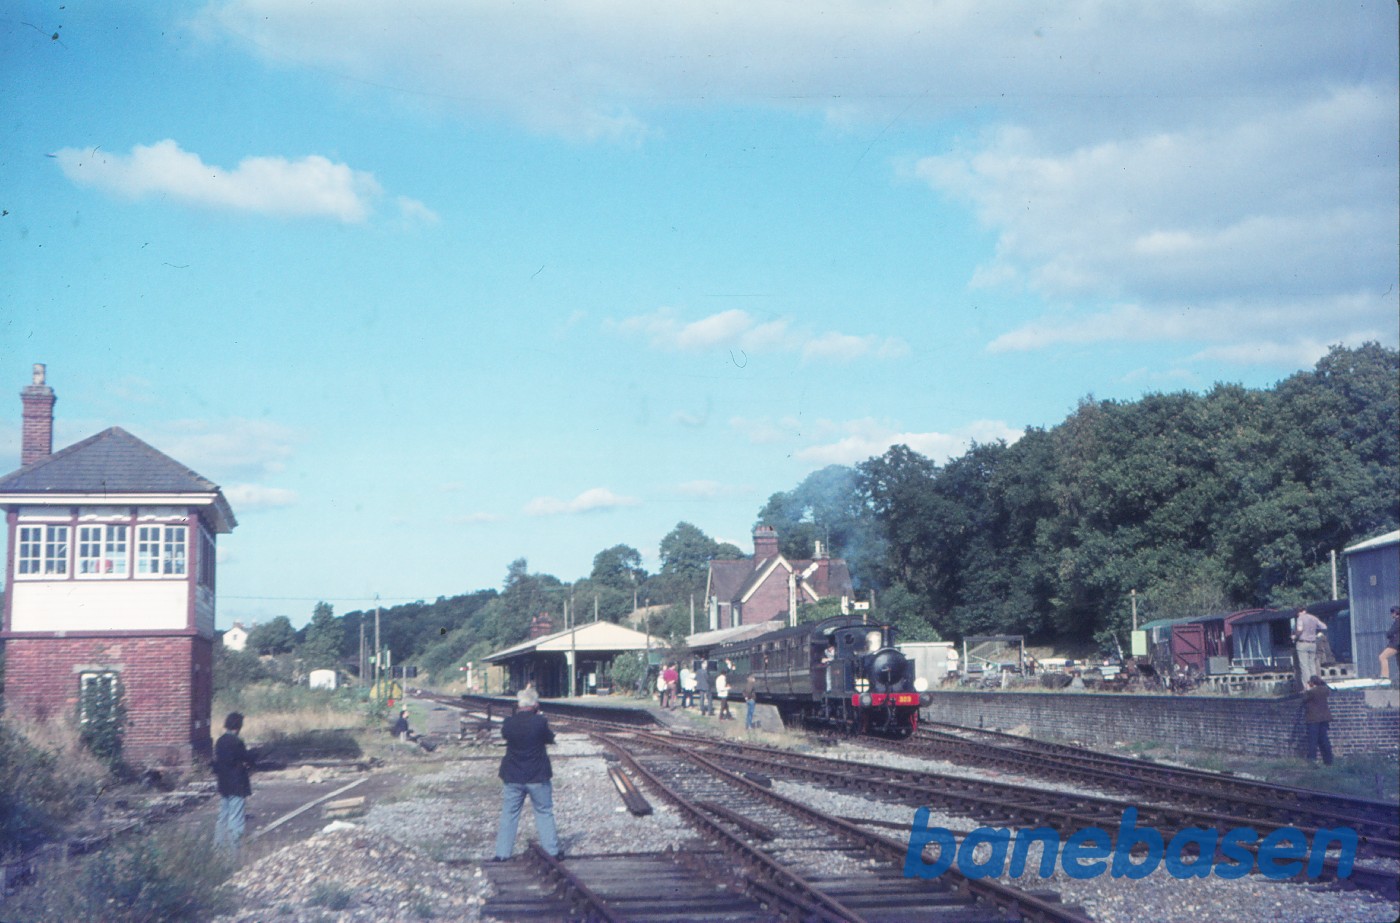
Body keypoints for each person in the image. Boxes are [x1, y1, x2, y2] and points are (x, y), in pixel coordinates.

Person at [493, 686, 562, 861]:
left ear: (519, 705)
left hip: (513, 776)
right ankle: (552, 851)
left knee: (509, 813)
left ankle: (502, 854)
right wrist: (539, 717)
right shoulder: (540, 722)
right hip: (538, 776)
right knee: (544, 812)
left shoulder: (508, 723)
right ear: (536, 705)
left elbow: (506, 735)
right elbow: (550, 738)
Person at [213, 712, 255, 858]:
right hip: (237, 784)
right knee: (236, 818)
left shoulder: (219, 741)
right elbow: (246, 759)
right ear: (238, 726)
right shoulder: (237, 742)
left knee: (223, 817)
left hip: (223, 784)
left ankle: (218, 849)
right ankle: (233, 852)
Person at [1302, 675, 1333, 765]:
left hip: (1313, 719)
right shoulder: (1325, 690)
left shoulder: (1312, 692)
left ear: (1312, 683)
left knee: (1313, 741)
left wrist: (1307, 690)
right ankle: (1328, 760)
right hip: (1324, 718)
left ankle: (1312, 760)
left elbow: (1304, 699)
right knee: (1324, 739)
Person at [1293, 608, 1326, 685]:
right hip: (1313, 644)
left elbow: (1300, 630)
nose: (1298, 614)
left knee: (1304, 666)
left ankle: (1308, 685)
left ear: (1302, 611)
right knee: (1312, 665)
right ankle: (1315, 683)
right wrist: (1314, 630)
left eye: (1298, 612)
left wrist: (1295, 636)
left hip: (1302, 643)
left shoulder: (1300, 618)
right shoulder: (1314, 618)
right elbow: (1324, 627)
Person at [1380, 606, 1400, 683]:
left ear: (1396, 613)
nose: (1391, 614)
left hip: (1396, 644)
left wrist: (1388, 634)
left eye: (1392, 612)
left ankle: (1385, 676)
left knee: (1383, 656)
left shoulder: (1398, 621)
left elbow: (1390, 632)